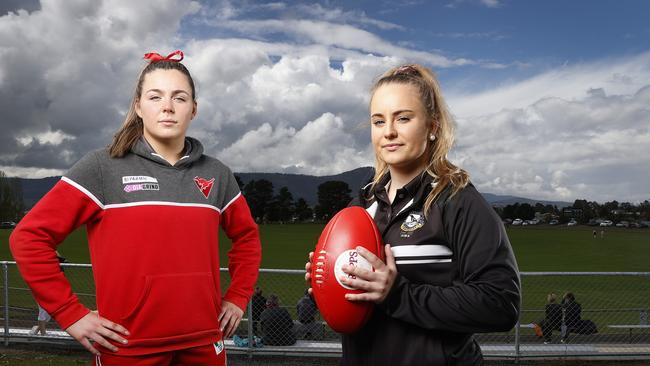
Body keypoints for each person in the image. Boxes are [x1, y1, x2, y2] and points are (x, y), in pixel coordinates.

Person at [10, 50, 262, 365]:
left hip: (205, 342)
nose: (168, 107)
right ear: (138, 106)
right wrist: (69, 313)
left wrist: (237, 298)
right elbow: (29, 237)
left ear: (194, 110)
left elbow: (247, 239)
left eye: (179, 98)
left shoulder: (217, 174)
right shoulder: (102, 167)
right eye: (155, 97)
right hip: (128, 346)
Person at [305, 64, 521, 365]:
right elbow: (353, 304)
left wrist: (396, 294)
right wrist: (327, 282)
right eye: (378, 121)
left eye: (403, 118)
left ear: (432, 127)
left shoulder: (457, 202)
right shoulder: (363, 205)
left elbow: (501, 304)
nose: (389, 131)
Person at [29, 252, 67, 336]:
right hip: (40, 289)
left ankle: (37, 328)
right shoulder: (43, 265)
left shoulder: (56, 266)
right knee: (43, 310)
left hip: (49, 290)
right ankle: (43, 333)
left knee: (50, 311)